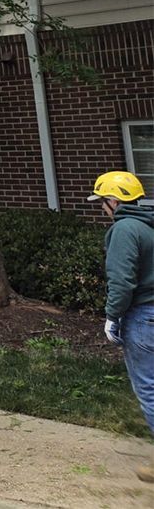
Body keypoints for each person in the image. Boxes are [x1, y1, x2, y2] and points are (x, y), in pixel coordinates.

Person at [88, 170, 154, 482]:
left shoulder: (125, 229)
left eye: (102, 202)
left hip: (144, 317)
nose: (102, 208)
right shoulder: (149, 225)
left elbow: (122, 281)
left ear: (115, 201)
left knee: (150, 389)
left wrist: (112, 316)